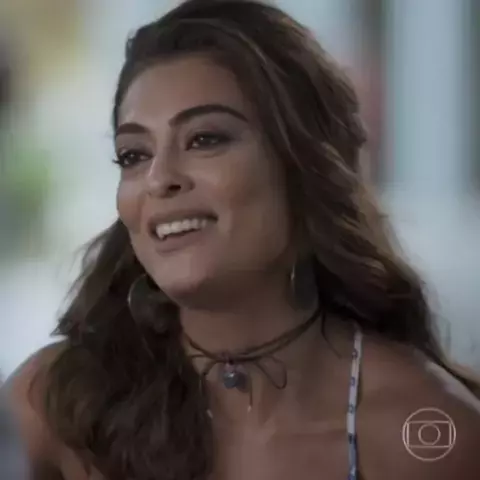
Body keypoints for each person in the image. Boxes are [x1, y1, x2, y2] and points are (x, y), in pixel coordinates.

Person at [5, 0, 480, 479]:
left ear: (303, 166)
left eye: (204, 139)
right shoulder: (54, 408)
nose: (159, 179)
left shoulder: (431, 434)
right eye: (133, 154)